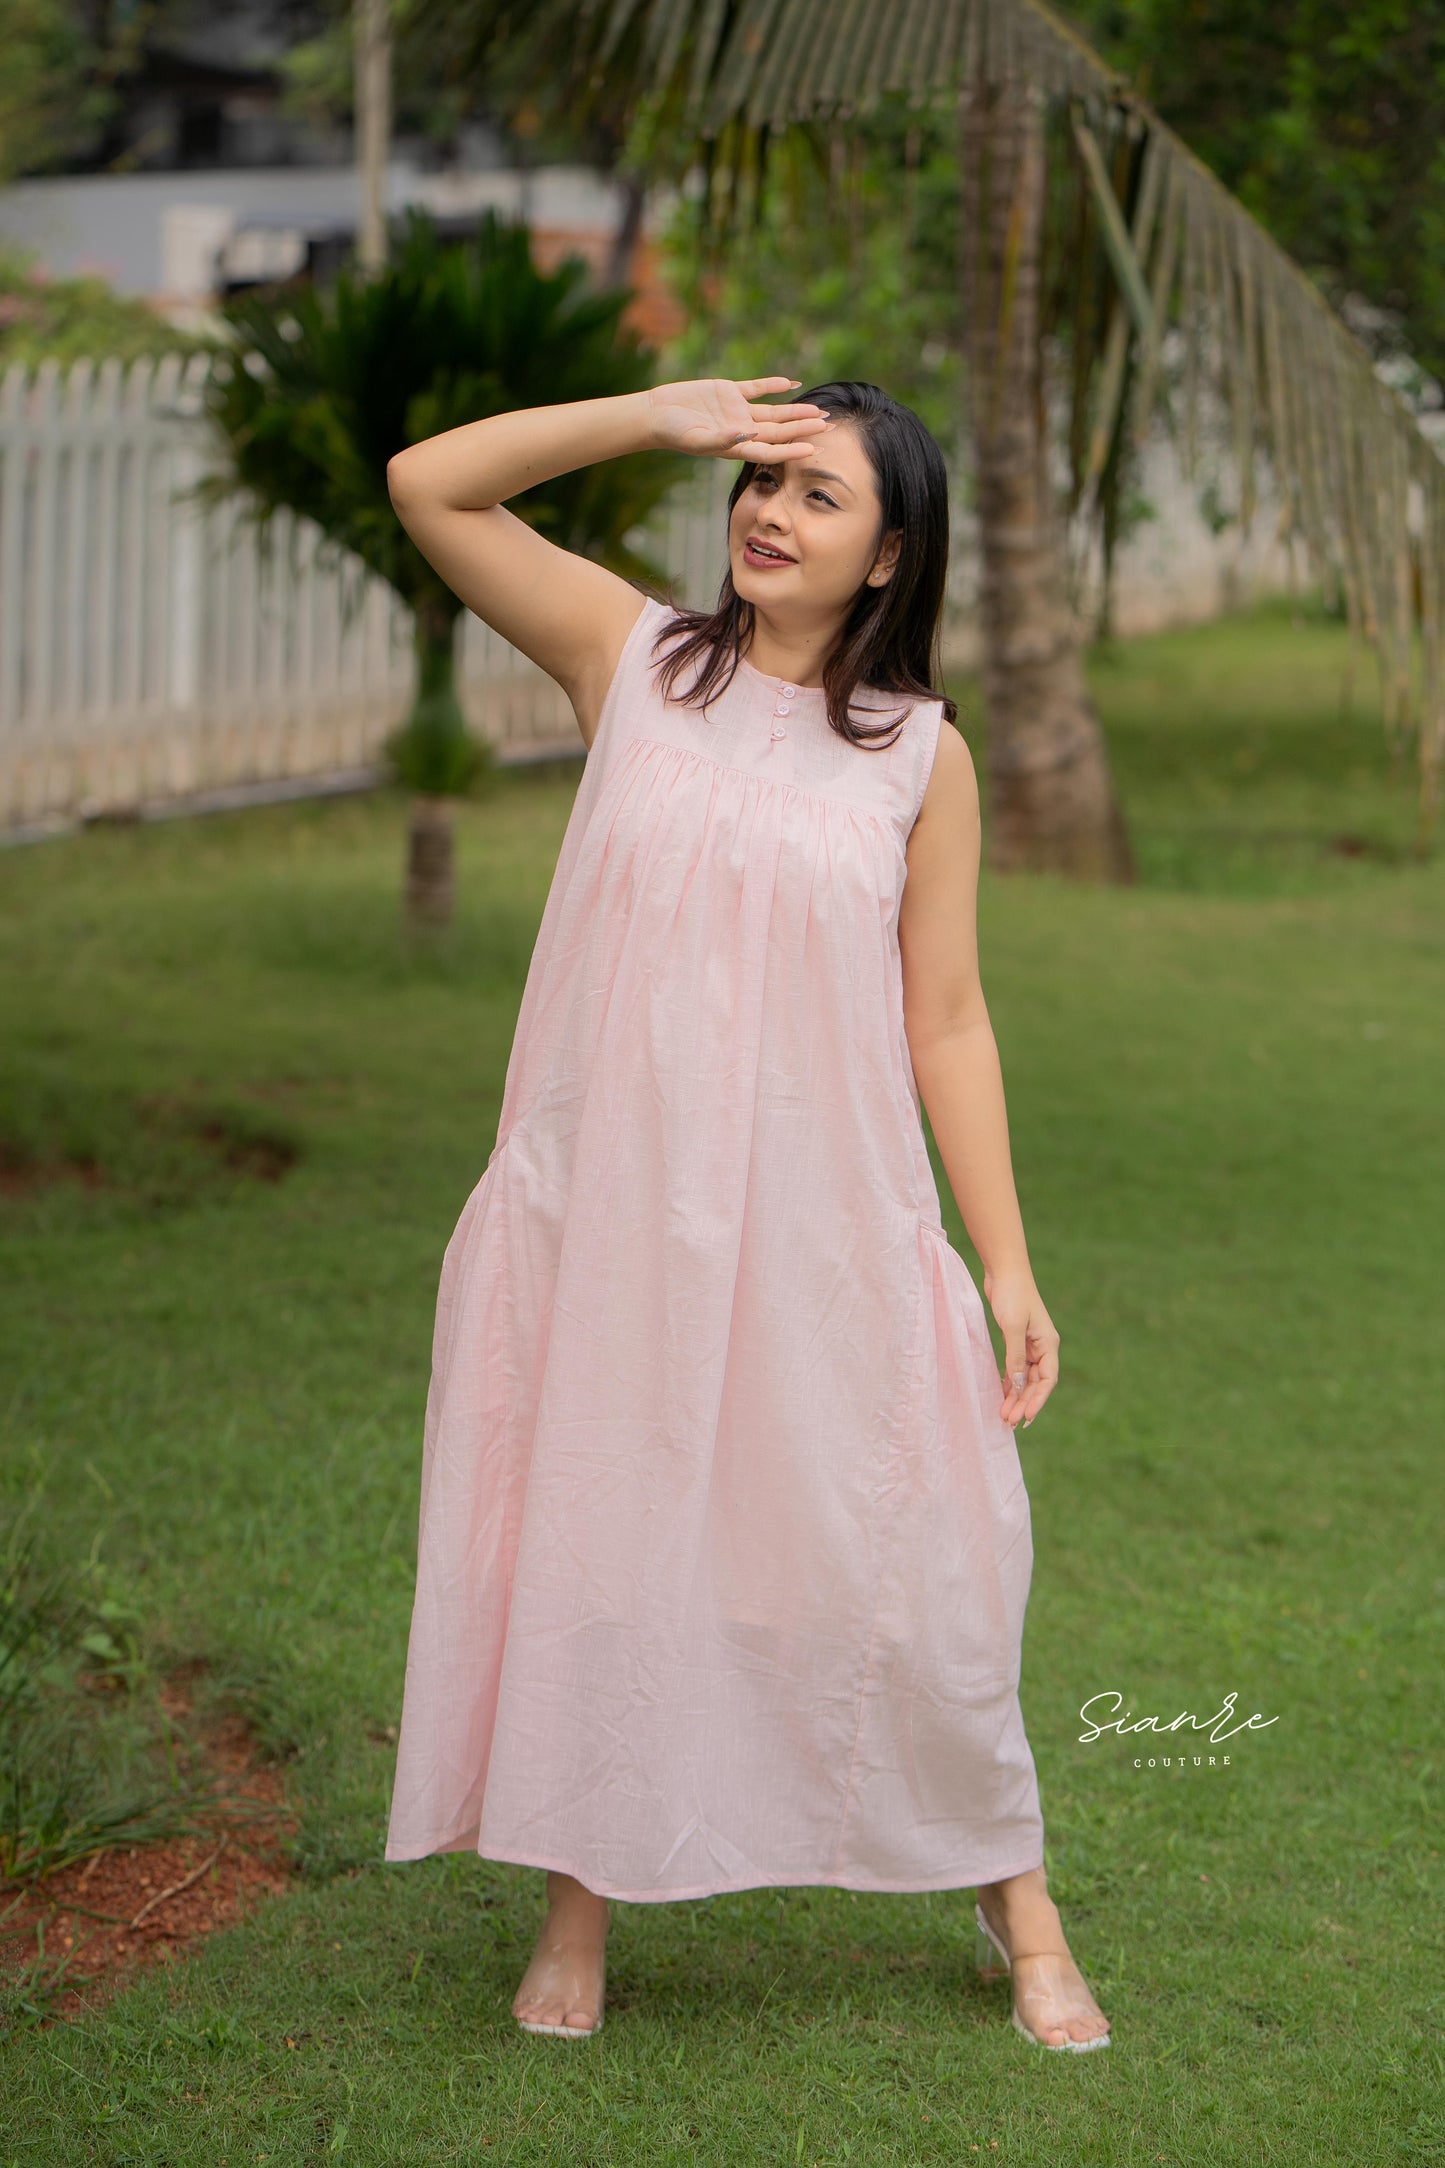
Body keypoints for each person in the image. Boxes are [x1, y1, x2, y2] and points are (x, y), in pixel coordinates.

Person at [382, 375, 1111, 2053]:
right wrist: (655, 412)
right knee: (607, 1538)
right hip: (616, 1212)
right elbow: (433, 487)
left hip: (823, 1225)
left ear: (888, 557)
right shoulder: (632, 663)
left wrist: (1002, 1261)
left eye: (817, 494)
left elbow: (947, 1020)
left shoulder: (920, 759)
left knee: (917, 1561)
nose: (768, 512)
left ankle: (1018, 1901)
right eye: (759, 481)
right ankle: (579, 1906)